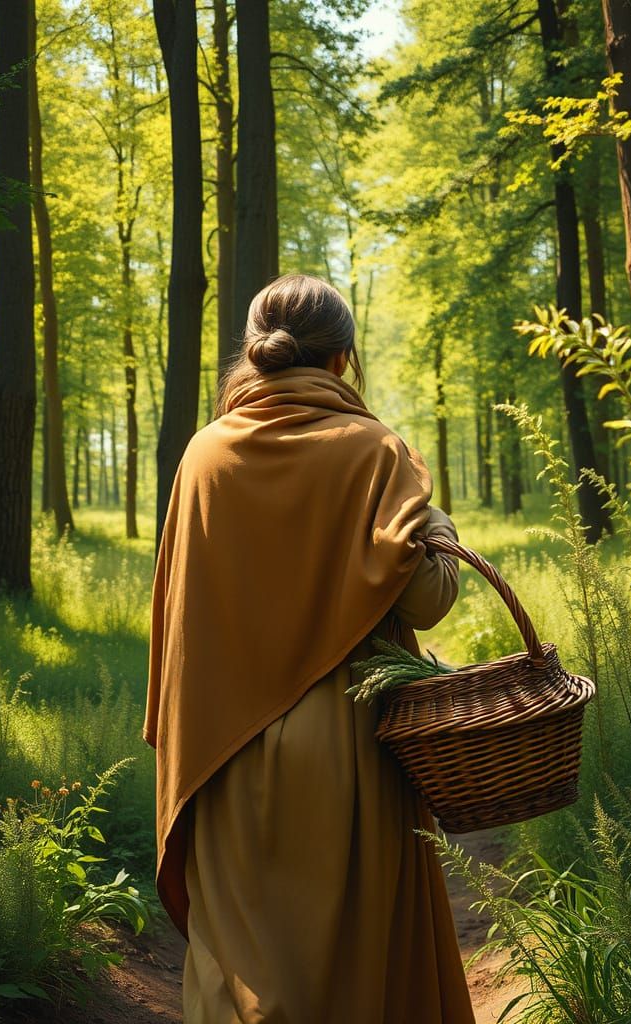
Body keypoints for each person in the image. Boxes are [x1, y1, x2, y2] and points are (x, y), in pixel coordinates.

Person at [144, 273, 475, 1023]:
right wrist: (443, 533)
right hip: (350, 748)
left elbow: (178, 623)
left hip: (221, 753)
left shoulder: (202, 458)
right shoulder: (376, 451)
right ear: (341, 361)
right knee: (353, 969)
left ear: (255, 356)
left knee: (238, 973)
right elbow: (427, 600)